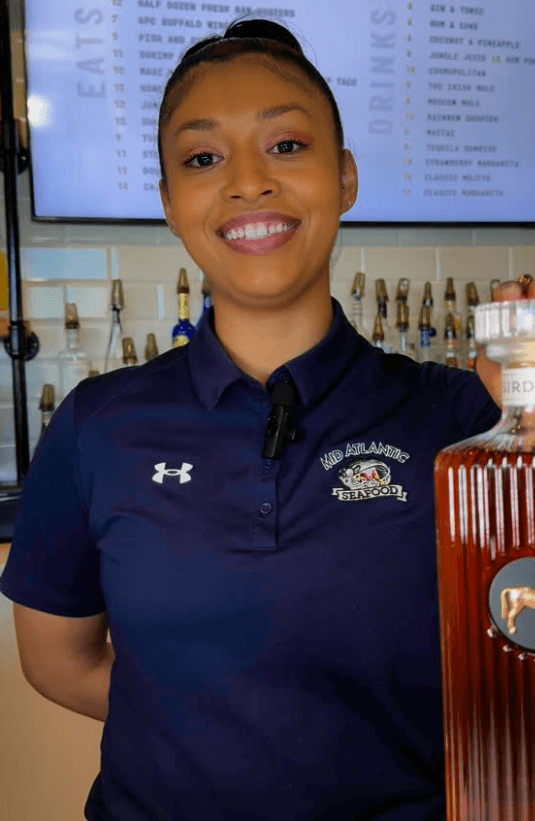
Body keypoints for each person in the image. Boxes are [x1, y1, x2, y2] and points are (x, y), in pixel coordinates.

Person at [0, 15, 530, 821]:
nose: (248, 181)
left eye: (286, 145)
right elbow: (60, 664)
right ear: (171, 203)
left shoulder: (459, 418)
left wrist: (523, 431)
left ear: (345, 177)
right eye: (202, 158)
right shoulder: (96, 426)